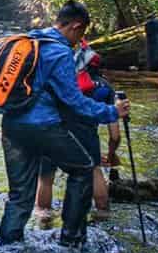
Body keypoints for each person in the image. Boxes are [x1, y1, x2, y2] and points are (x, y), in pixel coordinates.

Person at [0, 1, 127, 249]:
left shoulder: (29, 41)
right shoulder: (59, 51)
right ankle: (72, 239)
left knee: (19, 193)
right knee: (83, 168)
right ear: (76, 26)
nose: (80, 41)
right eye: (81, 34)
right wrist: (111, 111)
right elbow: (74, 101)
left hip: (11, 125)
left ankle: (7, 247)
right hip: (43, 126)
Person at [33, 43, 121, 224]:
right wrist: (111, 155)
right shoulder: (106, 88)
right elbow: (115, 134)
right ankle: (102, 213)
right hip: (87, 134)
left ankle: (44, 217)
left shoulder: (62, 79)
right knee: (95, 170)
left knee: (46, 177)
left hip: (54, 131)